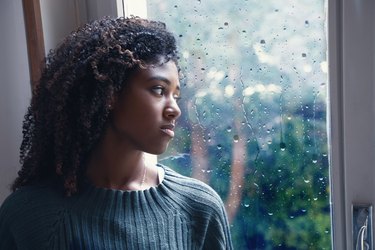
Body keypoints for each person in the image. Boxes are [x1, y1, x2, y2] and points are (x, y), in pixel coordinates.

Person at [0, 17, 233, 249]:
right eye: (159, 90)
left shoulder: (199, 209)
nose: (174, 109)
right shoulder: (28, 217)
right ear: (110, 93)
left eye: (176, 96)